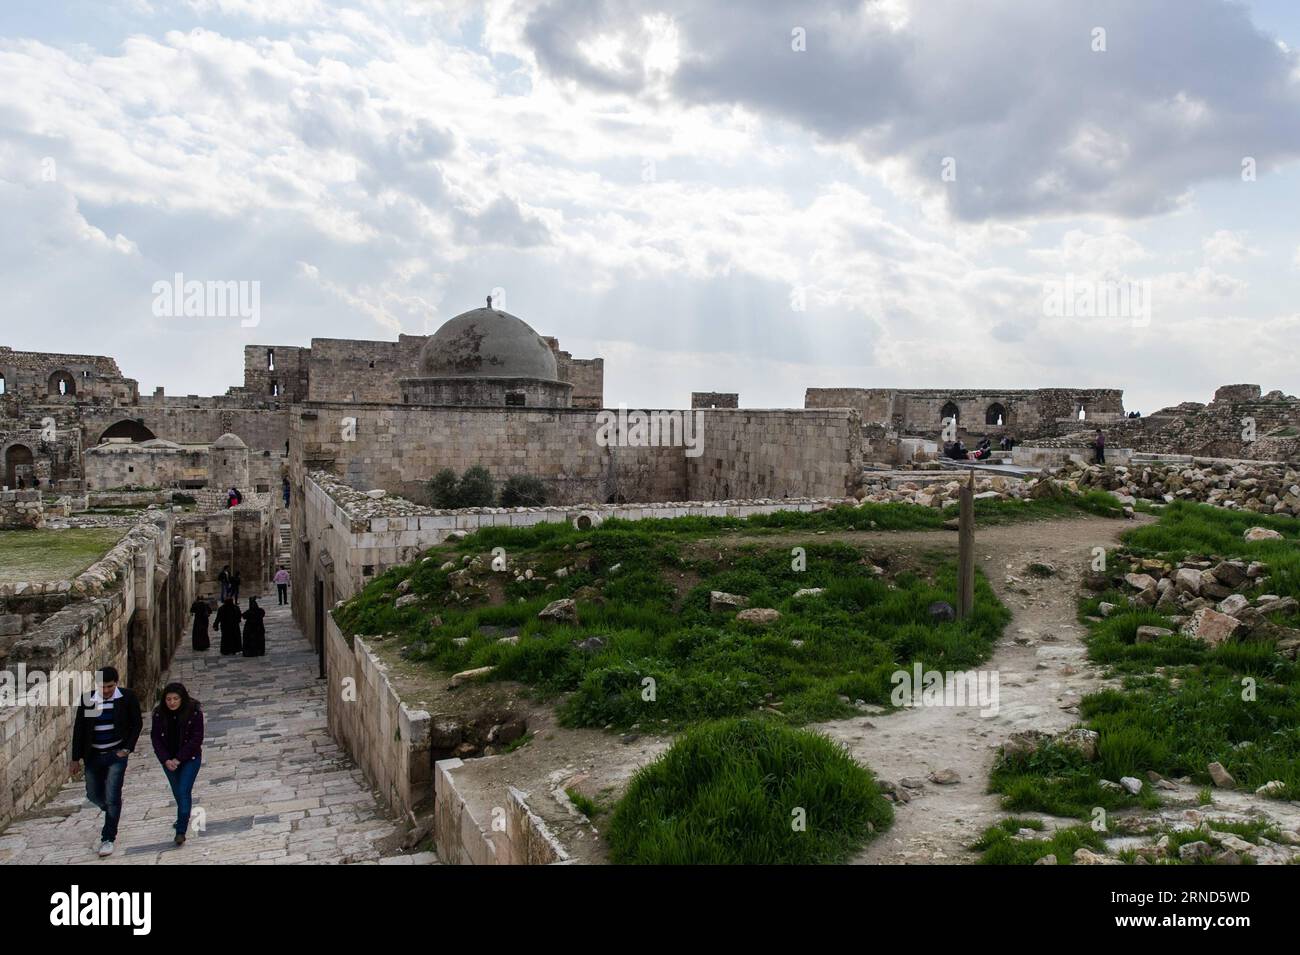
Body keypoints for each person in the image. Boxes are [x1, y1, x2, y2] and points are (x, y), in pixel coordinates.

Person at [70, 666, 143, 858]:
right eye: (102, 687)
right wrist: (75, 758)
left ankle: (108, 837)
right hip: (93, 756)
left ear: (116, 683)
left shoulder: (126, 698)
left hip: (115, 755)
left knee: (112, 794)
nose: (106, 691)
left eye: (110, 687)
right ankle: (112, 807)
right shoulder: (90, 701)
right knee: (93, 794)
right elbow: (80, 730)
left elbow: (136, 724)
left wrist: (126, 748)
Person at [150, 682, 203, 846]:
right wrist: (166, 759)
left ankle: (181, 831)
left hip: (189, 759)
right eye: (168, 699)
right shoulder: (159, 714)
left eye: (175, 699)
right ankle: (183, 815)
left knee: (183, 790)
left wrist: (179, 758)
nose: (172, 702)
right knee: (178, 793)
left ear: (182, 699)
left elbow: (196, 738)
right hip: (168, 761)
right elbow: (156, 739)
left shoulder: (194, 712)